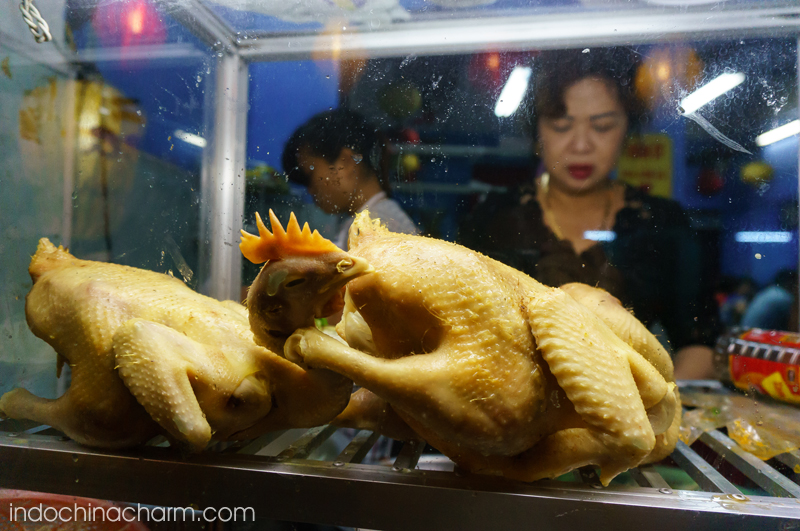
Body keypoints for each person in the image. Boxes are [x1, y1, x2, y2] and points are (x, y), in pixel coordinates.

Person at [461, 48, 719, 379]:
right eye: (561, 125)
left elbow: (698, 343)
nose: (581, 145)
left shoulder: (661, 223)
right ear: (537, 134)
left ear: (627, 132)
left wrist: (656, 412)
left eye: (602, 126)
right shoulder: (495, 217)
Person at [282, 107, 419, 250]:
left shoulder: (376, 226)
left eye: (310, 175)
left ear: (345, 163)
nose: (310, 190)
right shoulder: (370, 220)